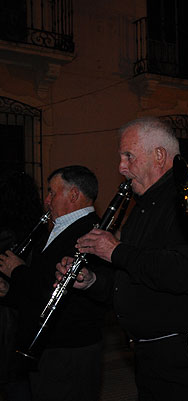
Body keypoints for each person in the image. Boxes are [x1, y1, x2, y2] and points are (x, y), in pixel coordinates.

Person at [56, 117, 188, 401]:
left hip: (186, 358)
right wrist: (91, 282)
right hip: (150, 355)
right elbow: (131, 277)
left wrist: (115, 250)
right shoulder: (143, 207)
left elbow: (186, 273)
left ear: (160, 155)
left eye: (129, 156)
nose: (121, 168)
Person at [0, 166, 107, 401]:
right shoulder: (56, 229)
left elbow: (55, 288)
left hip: (69, 350)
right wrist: (8, 291)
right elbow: (35, 289)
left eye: (52, 192)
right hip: (47, 348)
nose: (46, 200)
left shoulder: (92, 232)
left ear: (74, 194)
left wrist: (16, 270)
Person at [0, 170, 44, 401]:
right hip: (23, 316)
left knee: (14, 383)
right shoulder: (37, 229)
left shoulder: (8, 235)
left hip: (9, 318)